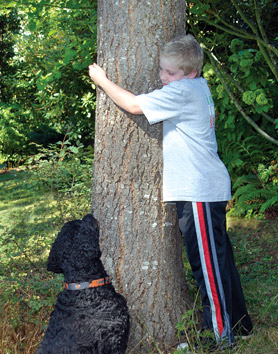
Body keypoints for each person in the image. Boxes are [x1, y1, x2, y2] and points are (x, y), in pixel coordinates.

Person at [88, 34, 253, 349]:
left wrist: (102, 80)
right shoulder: (199, 87)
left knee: (208, 265)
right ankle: (239, 325)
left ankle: (221, 335)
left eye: (170, 72)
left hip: (199, 191)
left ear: (189, 73)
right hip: (206, 187)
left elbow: (134, 105)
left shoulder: (183, 91)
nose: (163, 78)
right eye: (162, 70)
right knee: (220, 261)